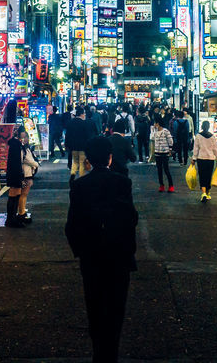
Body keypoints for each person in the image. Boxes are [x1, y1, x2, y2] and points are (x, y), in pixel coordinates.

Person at [65, 136, 139, 363]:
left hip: (92, 257)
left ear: (87, 160)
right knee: (116, 310)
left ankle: (99, 354)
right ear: (109, 157)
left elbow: (72, 226)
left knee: (95, 307)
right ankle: (111, 355)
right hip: (119, 257)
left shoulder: (79, 186)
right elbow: (131, 218)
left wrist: (81, 250)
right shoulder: (122, 182)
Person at [66, 106, 98, 181]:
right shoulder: (84, 123)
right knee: (81, 163)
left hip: (73, 146)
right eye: (84, 114)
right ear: (81, 114)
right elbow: (87, 136)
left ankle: (73, 174)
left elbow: (67, 135)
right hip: (82, 146)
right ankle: (81, 178)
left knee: (75, 162)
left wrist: (67, 144)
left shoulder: (70, 123)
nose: (84, 115)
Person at [191, 120, 217, 202]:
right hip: (210, 159)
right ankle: (207, 193)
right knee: (208, 176)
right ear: (208, 127)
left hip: (201, 159)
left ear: (202, 127)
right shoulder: (212, 137)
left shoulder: (198, 136)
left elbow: (196, 148)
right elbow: (215, 149)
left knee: (202, 176)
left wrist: (194, 158)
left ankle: (203, 193)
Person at [17, 127, 39, 223]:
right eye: (25, 137)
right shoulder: (23, 149)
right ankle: (21, 211)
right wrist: (36, 164)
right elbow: (27, 159)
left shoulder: (25, 148)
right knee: (23, 194)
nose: (26, 139)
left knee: (23, 194)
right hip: (26, 174)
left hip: (27, 172)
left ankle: (22, 209)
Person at [150, 117, 175, 192]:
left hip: (165, 153)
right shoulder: (155, 132)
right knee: (159, 170)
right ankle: (161, 185)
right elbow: (151, 138)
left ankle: (171, 185)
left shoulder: (165, 131)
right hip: (157, 152)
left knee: (166, 169)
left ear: (158, 123)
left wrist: (170, 150)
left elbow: (171, 141)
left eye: (155, 123)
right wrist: (152, 130)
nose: (154, 124)